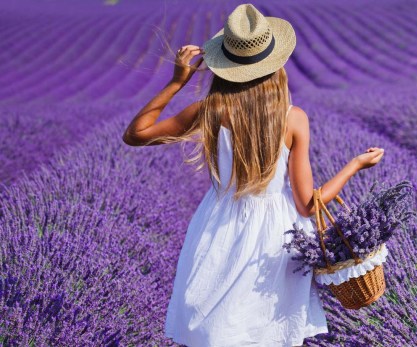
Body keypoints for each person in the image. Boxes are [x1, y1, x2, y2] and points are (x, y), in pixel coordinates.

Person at [121, 3, 385, 346]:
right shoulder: (293, 118)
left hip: (218, 225)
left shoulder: (209, 110)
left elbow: (136, 134)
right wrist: (355, 165)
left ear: (225, 66)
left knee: (215, 326)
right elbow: (308, 205)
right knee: (266, 332)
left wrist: (176, 82)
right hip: (277, 236)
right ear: (274, 64)